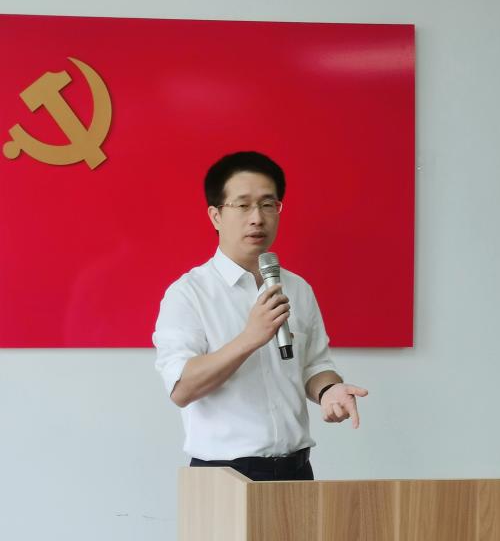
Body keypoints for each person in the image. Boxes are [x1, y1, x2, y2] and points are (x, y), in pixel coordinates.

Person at [153, 151, 367, 481]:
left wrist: (329, 391)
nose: (257, 218)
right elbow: (182, 388)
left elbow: (315, 365)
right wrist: (250, 338)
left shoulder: (297, 288)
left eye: (268, 205)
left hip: (297, 471)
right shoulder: (188, 294)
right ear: (216, 216)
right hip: (223, 475)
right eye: (243, 205)